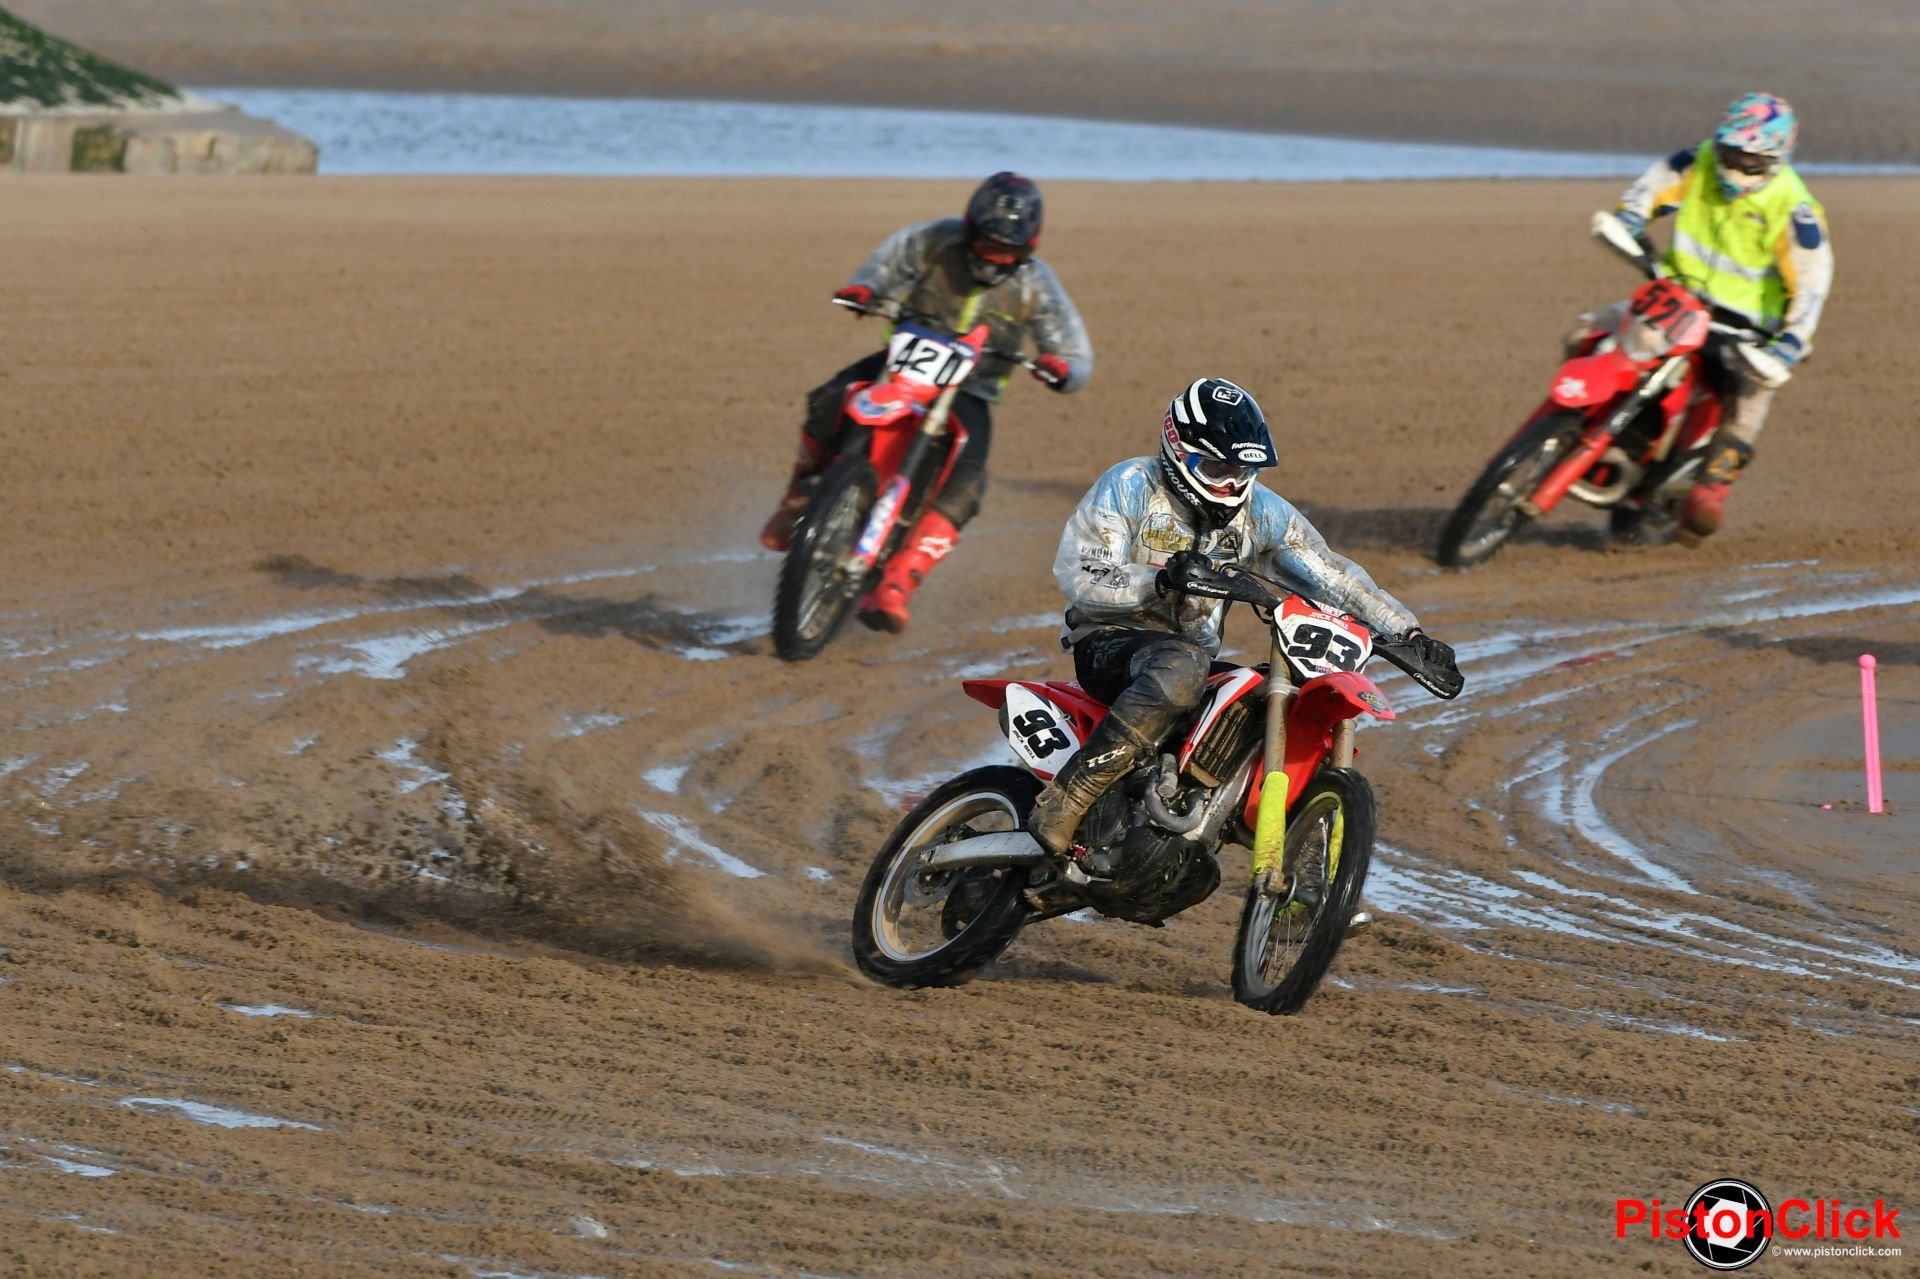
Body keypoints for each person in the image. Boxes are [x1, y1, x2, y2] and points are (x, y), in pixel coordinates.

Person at [1027, 376, 1458, 858]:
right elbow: (1081, 573)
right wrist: (1160, 581)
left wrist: (1409, 632)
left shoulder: (1261, 513)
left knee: (1257, 696)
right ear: (1178, 449)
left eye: (1242, 469)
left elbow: (1334, 577)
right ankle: (1069, 797)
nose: (1232, 483)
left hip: (1190, 654)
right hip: (1109, 640)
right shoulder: (1130, 484)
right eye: (1217, 467)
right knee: (1180, 667)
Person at [760, 172, 1093, 632]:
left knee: (969, 476)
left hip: (970, 387)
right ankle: (797, 498)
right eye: (986, 243)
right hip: (902, 361)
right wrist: (865, 290)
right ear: (968, 227)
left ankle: (899, 581)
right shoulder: (932, 240)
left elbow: (1074, 351)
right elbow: (883, 268)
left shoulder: (1037, 284)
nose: (993, 258)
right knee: (829, 399)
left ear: (1028, 249)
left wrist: (1062, 368)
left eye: (1007, 252)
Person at [1569, 92, 1833, 538]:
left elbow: (1811, 286)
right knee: (1588, 332)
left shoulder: (1795, 209)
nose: (1736, 165)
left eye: (1750, 160)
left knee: (1748, 404)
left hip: (1746, 330)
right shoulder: (1697, 161)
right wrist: (1629, 219)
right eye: (1731, 152)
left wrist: (1788, 344)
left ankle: (1709, 492)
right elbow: (1649, 191)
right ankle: (1580, 427)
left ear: (1773, 160)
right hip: (1676, 299)